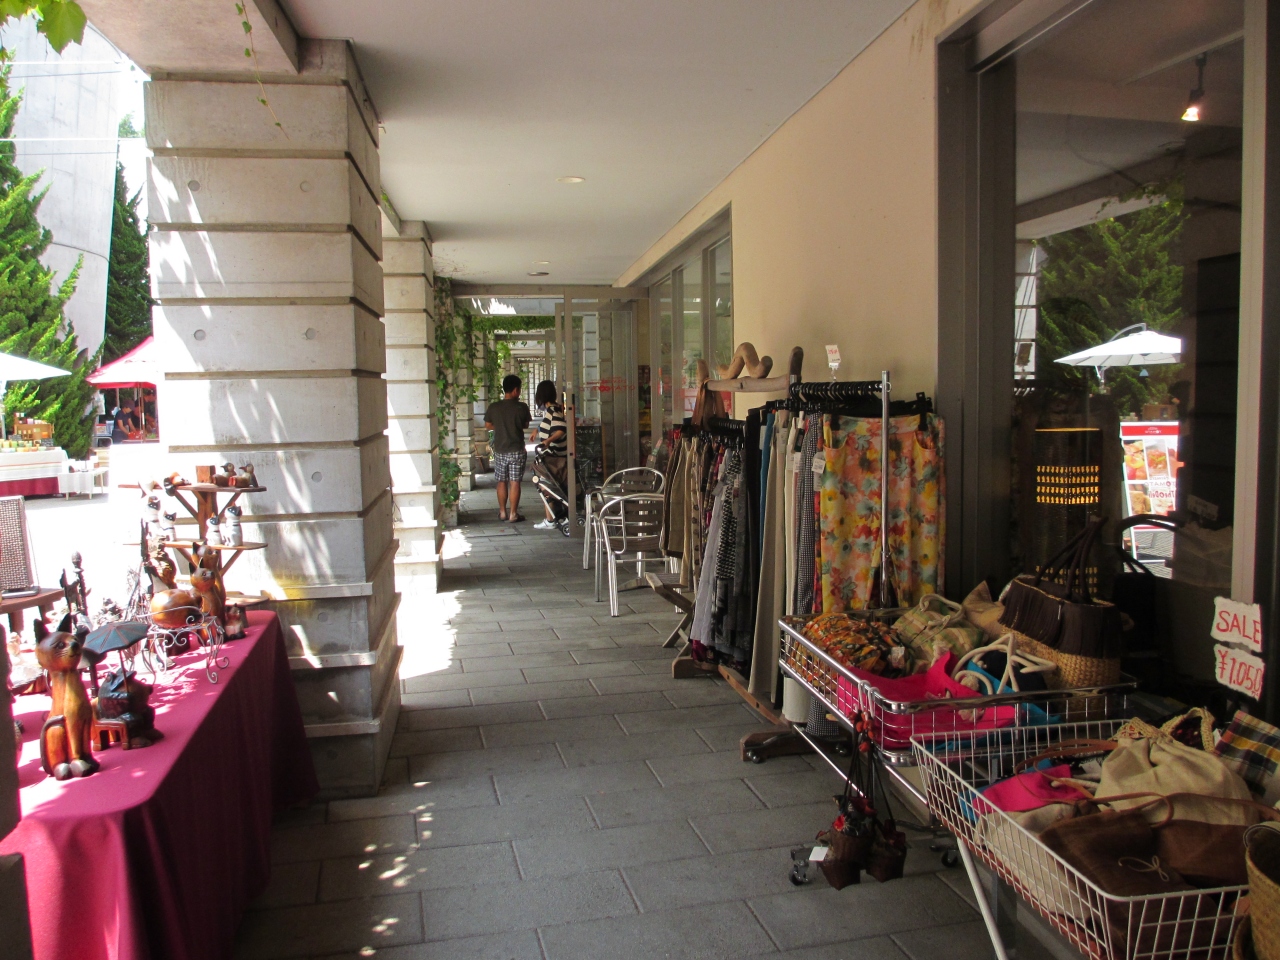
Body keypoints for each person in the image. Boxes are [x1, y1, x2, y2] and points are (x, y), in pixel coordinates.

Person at [484, 374, 531, 522]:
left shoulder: (494, 407)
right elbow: (525, 425)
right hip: (517, 449)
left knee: (501, 481)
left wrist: (500, 426)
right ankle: (513, 514)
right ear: (516, 390)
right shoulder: (522, 407)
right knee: (515, 482)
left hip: (500, 450)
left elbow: (488, 425)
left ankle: (503, 512)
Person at [530, 380, 568, 530]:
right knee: (548, 486)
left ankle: (550, 519)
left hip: (555, 457)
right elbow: (550, 424)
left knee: (545, 485)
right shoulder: (553, 409)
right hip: (555, 456)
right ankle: (552, 517)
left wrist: (548, 441)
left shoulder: (553, 410)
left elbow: (561, 429)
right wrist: (537, 430)